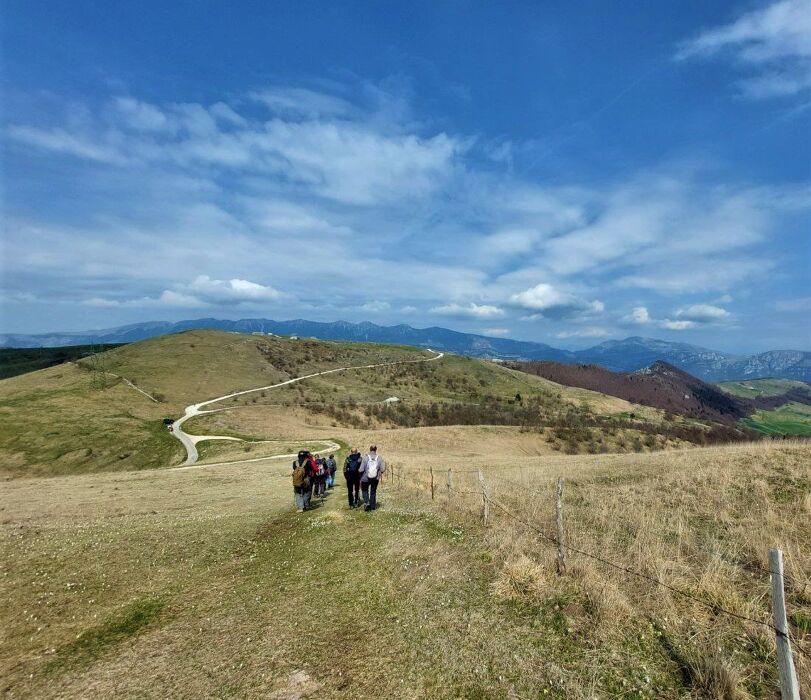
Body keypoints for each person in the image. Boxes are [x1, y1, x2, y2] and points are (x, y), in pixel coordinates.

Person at [359, 445, 385, 512]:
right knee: (373, 492)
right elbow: (383, 469)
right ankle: (373, 506)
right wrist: (378, 473)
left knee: (365, 490)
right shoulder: (379, 458)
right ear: (376, 450)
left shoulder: (365, 458)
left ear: (370, 449)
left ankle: (367, 503)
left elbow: (361, 470)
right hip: (375, 478)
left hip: (365, 478)